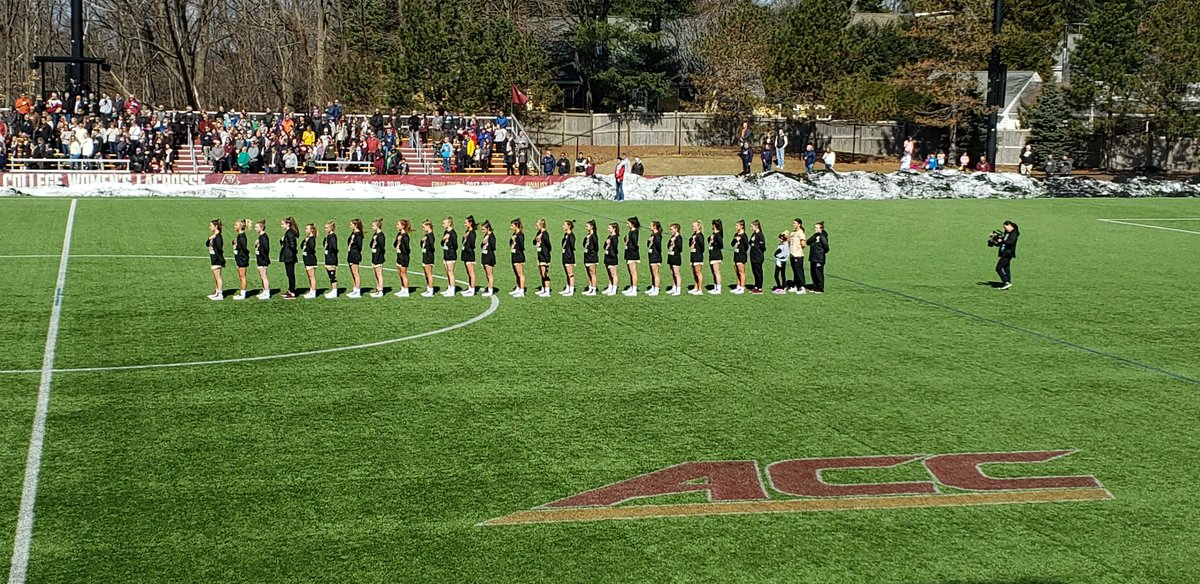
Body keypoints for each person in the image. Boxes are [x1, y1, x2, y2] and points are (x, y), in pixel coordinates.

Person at [989, 220, 1019, 290]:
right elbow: (1002, 241)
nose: (1005, 229)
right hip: (1004, 253)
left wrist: (1002, 240)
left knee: (998, 268)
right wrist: (995, 239)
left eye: (1005, 227)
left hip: (1008, 253)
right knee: (1006, 268)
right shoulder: (1007, 232)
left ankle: (1006, 282)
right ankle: (1007, 283)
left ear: (1010, 225)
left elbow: (1010, 242)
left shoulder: (1014, 233)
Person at [807, 221, 829, 294]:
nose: (815, 229)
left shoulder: (823, 236)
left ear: (821, 229)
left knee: (818, 273)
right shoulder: (816, 235)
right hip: (813, 257)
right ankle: (815, 286)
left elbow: (826, 247)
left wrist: (821, 253)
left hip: (819, 258)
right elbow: (808, 242)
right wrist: (815, 236)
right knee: (813, 273)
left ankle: (820, 288)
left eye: (816, 228)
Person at [345, 219, 364, 298]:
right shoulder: (353, 233)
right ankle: (354, 289)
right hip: (351, 254)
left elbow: (359, 246)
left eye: (351, 224)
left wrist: (355, 252)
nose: (350, 226)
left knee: (356, 273)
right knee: (352, 273)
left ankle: (358, 291)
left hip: (355, 255)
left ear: (355, 225)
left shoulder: (358, 234)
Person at [207, 219, 225, 301]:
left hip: (217, 259)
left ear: (216, 226)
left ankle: (220, 294)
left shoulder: (218, 237)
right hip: (213, 258)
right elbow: (207, 244)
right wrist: (209, 238)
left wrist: (218, 258)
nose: (209, 227)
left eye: (211, 226)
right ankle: (217, 292)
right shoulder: (214, 236)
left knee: (218, 277)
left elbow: (219, 249)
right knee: (215, 277)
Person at [533, 218, 552, 297]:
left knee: (545, 273)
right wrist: (536, 239)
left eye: (537, 225)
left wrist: (546, 252)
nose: (536, 227)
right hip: (539, 255)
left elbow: (548, 245)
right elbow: (534, 242)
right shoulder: (539, 233)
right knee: (541, 273)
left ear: (541, 225)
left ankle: (547, 291)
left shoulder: (545, 234)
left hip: (544, 256)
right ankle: (543, 288)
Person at [232, 219, 250, 300]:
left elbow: (244, 248)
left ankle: (243, 294)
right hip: (239, 258)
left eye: (236, 225)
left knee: (242, 276)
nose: (234, 226)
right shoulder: (239, 236)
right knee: (240, 276)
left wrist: (237, 246)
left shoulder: (242, 237)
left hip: (242, 259)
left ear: (240, 227)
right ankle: (241, 293)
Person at [788, 218, 807, 294]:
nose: (793, 224)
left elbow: (803, 244)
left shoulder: (800, 232)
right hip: (792, 255)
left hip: (798, 255)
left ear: (799, 224)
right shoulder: (793, 233)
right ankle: (796, 285)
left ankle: (802, 287)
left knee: (799, 271)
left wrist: (798, 248)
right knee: (795, 271)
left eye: (795, 223)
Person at [254, 219, 271, 300]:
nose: (255, 229)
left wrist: (259, 249)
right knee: (262, 276)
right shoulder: (260, 236)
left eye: (257, 227)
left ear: (261, 228)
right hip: (260, 258)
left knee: (264, 276)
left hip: (263, 259)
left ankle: (267, 293)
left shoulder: (264, 237)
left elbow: (265, 248)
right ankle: (264, 291)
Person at [394, 219, 412, 298]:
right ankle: (402, 289)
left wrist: (403, 254)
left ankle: (406, 290)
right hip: (399, 256)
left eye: (398, 224)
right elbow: (394, 245)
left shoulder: (405, 236)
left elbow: (407, 249)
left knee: (403, 274)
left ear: (403, 226)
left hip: (404, 257)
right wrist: (398, 240)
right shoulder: (399, 234)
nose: (397, 226)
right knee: (400, 273)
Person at [441, 216, 458, 297]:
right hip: (445, 254)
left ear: (449, 223)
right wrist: (444, 239)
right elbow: (441, 244)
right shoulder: (446, 232)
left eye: (444, 223)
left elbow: (455, 245)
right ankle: (449, 288)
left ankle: (452, 290)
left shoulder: (453, 233)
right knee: (447, 272)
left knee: (450, 272)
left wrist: (449, 245)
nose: (443, 225)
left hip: (451, 255)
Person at [730, 220, 749, 294]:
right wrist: (735, 240)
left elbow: (746, 246)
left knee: (741, 272)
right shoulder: (736, 234)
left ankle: (742, 287)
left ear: (742, 226)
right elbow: (732, 244)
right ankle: (738, 286)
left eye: (737, 225)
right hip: (736, 255)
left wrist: (740, 242)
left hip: (741, 256)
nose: (735, 227)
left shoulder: (744, 236)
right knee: (737, 271)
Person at [369, 218, 387, 298]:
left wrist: (379, 254)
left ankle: (380, 291)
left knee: (379, 274)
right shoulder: (375, 234)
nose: (372, 227)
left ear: (378, 226)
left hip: (378, 257)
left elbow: (382, 247)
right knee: (376, 274)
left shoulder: (381, 235)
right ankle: (377, 289)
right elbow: (371, 244)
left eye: (373, 226)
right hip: (374, 256)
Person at [623, 216, 640, 296]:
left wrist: (630, 244)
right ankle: (631, 287)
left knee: (633, 272)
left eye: (628, 223)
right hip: (628, 253)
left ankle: (634, 290)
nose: (627, 225)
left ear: (633, 224)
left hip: (632, 254)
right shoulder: (630, 232)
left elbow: (635, 243)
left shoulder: (634, 232)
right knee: (630, 272)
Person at [461, 216, 477, 297]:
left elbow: (472, 244)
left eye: (465, 223)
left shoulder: (472, 233)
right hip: (465, 253)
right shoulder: (467, 231)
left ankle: (472, 290)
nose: (464, 224)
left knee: (471, 273)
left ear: (470, 223)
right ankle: (470, 288)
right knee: (468, 272)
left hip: (470, 254)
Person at [509, 219, 526, 297]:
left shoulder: (520, 235)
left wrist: (516, 250)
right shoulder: (514, 234)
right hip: (514, 255)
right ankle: (518, 287)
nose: (511, 227)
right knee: (516, 274)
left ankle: (521, 291)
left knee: (520, 274)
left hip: (518, 256)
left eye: (512, 225)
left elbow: (522, 246)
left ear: (516, 226)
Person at [480, 220, 497, 297]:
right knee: (487, 274)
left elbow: (493, 247)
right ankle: (488, 287)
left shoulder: (491, 236)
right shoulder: (486, 236)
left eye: (483, 229)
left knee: (490, 274)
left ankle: (490, 290)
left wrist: (487, 242)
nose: (482, 231)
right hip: (484, 256)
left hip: (489, 257)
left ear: (488, 228)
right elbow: (482, 246)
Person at [419, 219, 436, 297]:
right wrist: (422, 241)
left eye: (424, 227)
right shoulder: (426, 235)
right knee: (426, 273)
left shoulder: (430, 235)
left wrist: (428, 251)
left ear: (428, 226)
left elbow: (432, 246)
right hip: (425, 255)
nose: (423, 229)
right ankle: (428, 288)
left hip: (429, 256)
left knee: (429, 274)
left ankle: (431, 290)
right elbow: (422, 245)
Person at [301, 223, 319, 298]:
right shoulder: (308, 238)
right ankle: (311, 290)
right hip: (306, 259)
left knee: (311, 276)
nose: (306, 230)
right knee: (309, 276)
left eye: (307, 229)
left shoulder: (312, 238)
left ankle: (313, 292)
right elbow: (301, 245)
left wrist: (308, 251)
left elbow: (312, 248)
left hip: (310, 259)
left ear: (311, 230)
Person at [582, 220, 599, 296]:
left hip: (592, 257)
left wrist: (592, 253)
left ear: (592, 227)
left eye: (587, 226)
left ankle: (594, 289)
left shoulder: (594, 236)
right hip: (587, 256)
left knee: (592, 273)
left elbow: (596, 247)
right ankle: (590, 287)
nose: (586, 227)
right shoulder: (588, 236)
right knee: (589, 273)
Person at [749, 220, 766, 294]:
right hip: (753, 256)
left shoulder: (760, 235)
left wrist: (758, 253)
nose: (751, 228)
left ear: (756, 226)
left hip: (758, 257)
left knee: (758, 272)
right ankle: (756, 286)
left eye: (752, 226)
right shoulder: (754, 234)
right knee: (754, 272)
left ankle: (759, 288)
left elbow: (763, 247)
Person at [603, 222, 620, 296]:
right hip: (607, 257)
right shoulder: (609, 236)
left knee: (613, 274)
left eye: (609, 228)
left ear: (614, 229)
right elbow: (604, 246)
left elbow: (615, 249)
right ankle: (610, 287)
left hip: (612, 257)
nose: (608, 229)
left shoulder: (615, 237)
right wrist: (606, 243)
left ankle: (614, 289)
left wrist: (609, 245)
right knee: (609, 274)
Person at [666, 223, 683, 296]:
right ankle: (674, 287)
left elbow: (680, 248)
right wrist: (671, 241)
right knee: (672, 273)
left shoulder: (679, 237)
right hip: (671, 256)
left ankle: (678, 289)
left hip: (676, 257)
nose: (671, 231)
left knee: (676, 273)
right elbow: (668, 246)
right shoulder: (672, 236)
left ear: (676, 229)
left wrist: (674, 242)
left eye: (672, 229)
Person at [323, 221, 339, 299]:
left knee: (332, 275)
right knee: (330, 275)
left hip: (331, 258)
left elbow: (334, 248)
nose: (325, 229)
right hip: (328, 257)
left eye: (327, 227)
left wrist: (330, 253)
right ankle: (333, 290)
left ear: (331, 228)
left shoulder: (332, 236)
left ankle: (334, 291)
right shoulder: (328, 236)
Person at [560, 220, 577, 297]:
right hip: (565, 255)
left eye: (565, 225)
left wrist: (569, 257)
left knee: (570, 274)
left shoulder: (571, 236)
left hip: (569, 256)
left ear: (569, 226)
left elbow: (572, 247)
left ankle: (571, 290)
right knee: (567, 273)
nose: (563, 226)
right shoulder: (566, 235)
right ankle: (568, 288)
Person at [688, 221, 705, 295]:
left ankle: (700, 289)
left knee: (698, 272)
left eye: (694, 226)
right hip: (692, 255)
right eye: (692, 226)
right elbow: (689, 244)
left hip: (698, 256)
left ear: (699, 227)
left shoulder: (700, 235)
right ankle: (695, 287)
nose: (693, 228)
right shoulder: (694, 235)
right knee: (694, 272)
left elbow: (702, 247)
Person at [646, 221, 663, 297]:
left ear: (655, 226)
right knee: (652, 273)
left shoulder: (657, 235)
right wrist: (649, 240)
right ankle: (653, 287)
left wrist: (652, 241)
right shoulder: (653, 234)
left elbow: (658, 246)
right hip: (651, 255)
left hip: (655, 256)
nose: (649, 227)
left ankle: (656, 289)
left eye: (651, 225)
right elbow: (649, 245)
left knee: (655, 274)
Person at [708, 219, 724, 295]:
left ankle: (719, 288)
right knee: (713, 272)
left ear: (714, 225)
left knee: (716, 272)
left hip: (716, 255)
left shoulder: (718, 235)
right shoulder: (713, 234)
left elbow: (721, 245)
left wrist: (714, 242)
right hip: (711, 255)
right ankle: (715, 287)